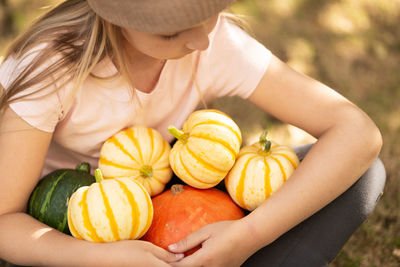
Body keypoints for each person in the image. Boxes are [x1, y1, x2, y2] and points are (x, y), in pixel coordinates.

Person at [0, 0, 385, 266]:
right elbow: (4, 222)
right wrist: (99, 258)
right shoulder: (52, 65)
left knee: (363, 175)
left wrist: (250, 235)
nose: (201, 41)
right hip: (77, 233)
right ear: (115, 18)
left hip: (173, 199)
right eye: (172, 34)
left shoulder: (213, 44)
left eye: (211, 13)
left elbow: (355, 132)